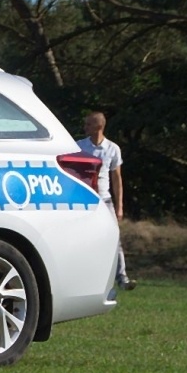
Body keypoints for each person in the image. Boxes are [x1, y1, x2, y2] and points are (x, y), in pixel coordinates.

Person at [77, 111, 131, 290]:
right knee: (84, 239)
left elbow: (117, 179)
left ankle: (122, 277)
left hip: (105, 200)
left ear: (99, 127)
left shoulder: (112, 149)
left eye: (89, 125)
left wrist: (119, 206)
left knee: (114, 238)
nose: (85, 128)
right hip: (85, 200)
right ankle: (86, 277)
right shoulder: (79, 147)